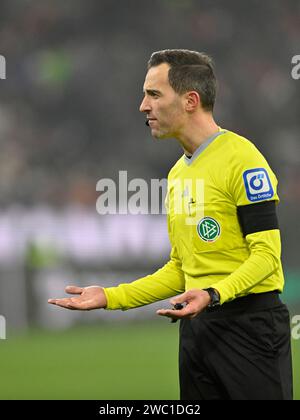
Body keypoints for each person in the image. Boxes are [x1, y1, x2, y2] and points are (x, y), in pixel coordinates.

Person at [48, 49, 293, 400]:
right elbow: (181, 269)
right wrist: (110, 296)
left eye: (153, 94)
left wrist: (212, 294)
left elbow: (268, 257)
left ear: (190, 100)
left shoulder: (243, 160)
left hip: (251, 329)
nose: (143, 106)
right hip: (197, 331)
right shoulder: (178, 174)